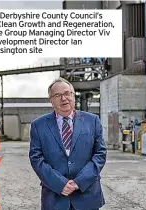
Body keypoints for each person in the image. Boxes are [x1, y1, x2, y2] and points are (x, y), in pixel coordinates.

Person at [29, 78, 107, 210]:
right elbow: (36, 159)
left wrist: (79, 182)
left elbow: (100, 154)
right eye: (57, 95)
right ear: (50, 100)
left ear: (73, 95)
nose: (63, 98)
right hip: (55, 198)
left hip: (87, 196)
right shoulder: (38, 125)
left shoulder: (92, 120)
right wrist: (59, 184)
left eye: (67, 93)